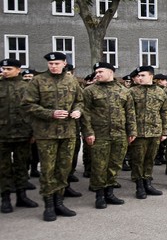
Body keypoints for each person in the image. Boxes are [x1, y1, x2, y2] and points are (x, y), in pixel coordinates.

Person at [21, 52, 84, 221]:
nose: (53, 66)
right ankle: (48, 205)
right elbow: (27, 105)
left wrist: (78, 110)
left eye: (57, 63)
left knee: (63, 169)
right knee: (48, 170)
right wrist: (51, 113)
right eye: (51, 64)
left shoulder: (71, 80)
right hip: (46, 133)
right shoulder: (38, 81)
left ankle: (59, 202)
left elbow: (80, 100)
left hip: (68, 132)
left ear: (64, 63)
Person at [81, 62, 135, 208]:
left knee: (115, 164)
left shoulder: (124, 91)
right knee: (99, 166)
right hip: (99, 135)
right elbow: (85, 113)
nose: (97, 74)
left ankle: (109, 193)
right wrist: (88, 132)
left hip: (119, 134)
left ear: (111, 72)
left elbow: (130, 113)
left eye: (100, 71)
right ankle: (99, 196)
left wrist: (132, 131)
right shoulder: (89, 91)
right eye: (96, 72)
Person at [0, 58, 39, 214]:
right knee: (3, 168)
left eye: (9, 69)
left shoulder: (27, 88)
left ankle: (22, 196)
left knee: (22, 166)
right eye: (3, 69)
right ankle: (5, 199)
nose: (5, 71)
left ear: (18, 69)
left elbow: (33, 111)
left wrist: (34, 132)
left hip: (23, 134)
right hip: (2, 135)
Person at [128, 66, 167, 199]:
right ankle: (139, 186)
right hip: (138, 133)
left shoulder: (160, 92)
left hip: (155, 131)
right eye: (138, 76)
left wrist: (164, 131)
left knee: (150, 159)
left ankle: (148, 183)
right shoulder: (132, 92)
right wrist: (131, 131)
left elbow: (164, 112)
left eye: (143, 75)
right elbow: (128, 113)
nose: (139, 78)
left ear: (151, 76)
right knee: (137, 160)